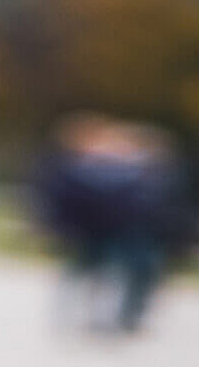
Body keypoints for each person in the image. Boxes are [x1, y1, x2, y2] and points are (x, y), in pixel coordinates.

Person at [31, 112, 177, 337]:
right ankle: (85, 315)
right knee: (85, 273)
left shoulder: (131, 172)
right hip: (91, 231)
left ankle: (113, 317)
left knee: (115, 275)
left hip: (120, 231)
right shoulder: (81, 169)